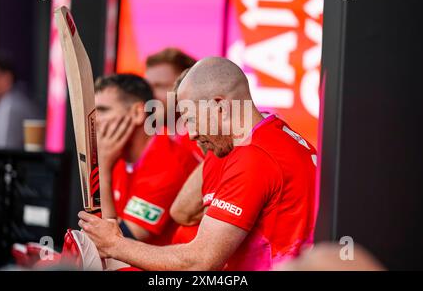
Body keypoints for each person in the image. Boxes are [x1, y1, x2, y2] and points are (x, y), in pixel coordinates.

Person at [78, 57, 318, 270]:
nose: (190, 135)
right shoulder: (262, 134)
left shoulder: (254, 156)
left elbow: (200, 262)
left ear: (221, 106)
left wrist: (113, 244)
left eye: (191, 118)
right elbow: (181, 212)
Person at [94, 74, 198, 246]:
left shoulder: (168, 161)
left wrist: (101, 170)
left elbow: (119, 245)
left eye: (103, 110)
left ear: (137, 113)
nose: (94, 120)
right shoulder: (117, 155)